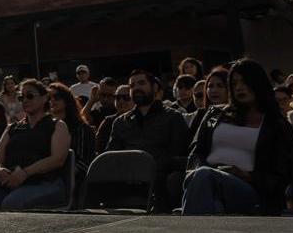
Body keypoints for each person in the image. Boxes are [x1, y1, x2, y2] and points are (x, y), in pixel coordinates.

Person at [182, 60, 293, 215]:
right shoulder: (214, 115)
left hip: (251, 191)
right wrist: (201, 172)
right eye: (234, 83)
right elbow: (196, 153)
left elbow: (281, 178)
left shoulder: (277, 126)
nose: (239, 87)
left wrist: (246, 175)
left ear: (258, 84)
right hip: (208, 180)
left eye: (245, 82)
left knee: (204, 176)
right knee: (213, 203)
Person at [0, 79, 71, 211]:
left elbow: (57, 159)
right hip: (9, 182)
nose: (25, 100)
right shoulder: (12, 128)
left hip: (44, 182)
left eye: (30, 96)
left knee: (12, 203)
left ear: (44, 98)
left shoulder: (57, 125)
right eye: (21, 97)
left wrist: (25, 173)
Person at [105, 70, 189, 211]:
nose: (136, 88)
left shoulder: (173, 118)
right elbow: (111, 156)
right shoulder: (120, 122)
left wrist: (153, 166)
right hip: (126, 179)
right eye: (132, 85)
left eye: (142, 83)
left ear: (155, 88)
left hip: (160, 179)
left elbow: (180, 157)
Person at [46, 82, 95, 190]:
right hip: (44, 179)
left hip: (70, 183)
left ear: (67, 100)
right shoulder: (45, 128)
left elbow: (84, 162)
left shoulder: (82, 129)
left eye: (56, 97)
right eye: (48, 97)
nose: (52, 100)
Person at [188, 67, 230, 138]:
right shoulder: (201, 115)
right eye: (210, 86)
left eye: (220, 86)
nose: (214, 90)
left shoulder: (239, 114)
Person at [95, 84, 133, 152]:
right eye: (117, 97)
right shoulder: (108, 121)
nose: (121, 101)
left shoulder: (143, 120)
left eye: (126, 97)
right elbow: (99, 148)